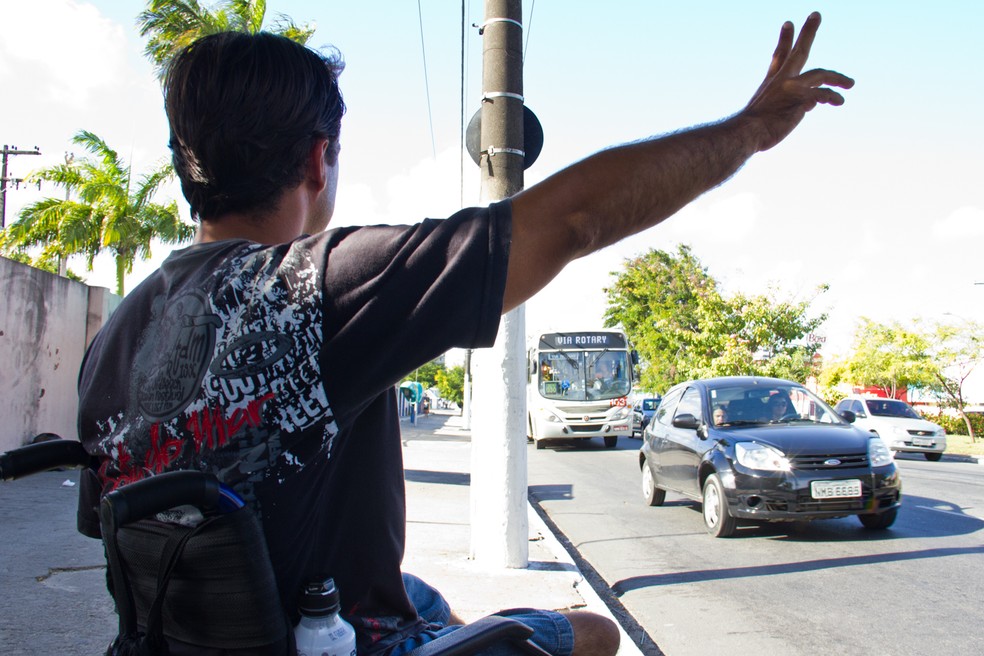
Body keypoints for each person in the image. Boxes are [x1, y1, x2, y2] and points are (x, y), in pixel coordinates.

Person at [75, 11, 851, 656]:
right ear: (318, 161)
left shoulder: (113, 339)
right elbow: (574, 220)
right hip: (336, 639)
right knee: (594, 634)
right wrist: (749, 129)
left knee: (423, 594)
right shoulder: (314, 288)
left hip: (185, 636)